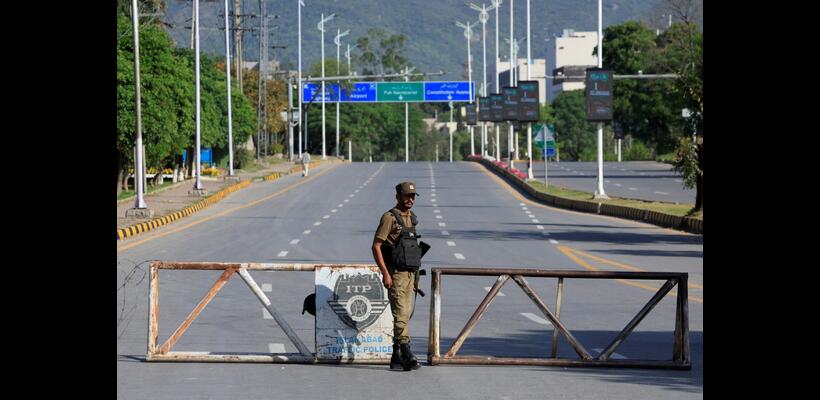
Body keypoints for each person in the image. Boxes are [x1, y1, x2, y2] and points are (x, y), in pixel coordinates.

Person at [372, 182, 423, 371]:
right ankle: (407, 352)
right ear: (397, 196)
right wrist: (385, 273)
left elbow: (412, 250)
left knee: (405, 315)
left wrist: (416, 279)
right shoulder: (389, 218)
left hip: (410, 274)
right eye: (406, 196)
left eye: (413, 196)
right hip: (396, 274)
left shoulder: (412, 218)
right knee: (401, 314)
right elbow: (376, 246)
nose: (410, 199)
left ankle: (396, 356)